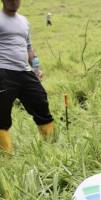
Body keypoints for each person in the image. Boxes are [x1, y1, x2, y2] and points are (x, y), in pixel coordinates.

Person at [0, 0, 54, 154]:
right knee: (1, 113)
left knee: (41, 102)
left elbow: (28, 46)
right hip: (3, 72)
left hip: (25, 71)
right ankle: (7, 155)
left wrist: (36, 68)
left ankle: (50, 148)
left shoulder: (24, 21)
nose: (14, 2)